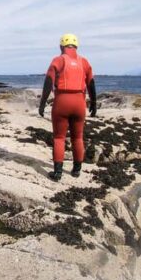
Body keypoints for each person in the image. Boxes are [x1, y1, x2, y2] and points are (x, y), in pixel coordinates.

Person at [38, 33, 97, 181]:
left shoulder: (58, 60)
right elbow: (91, 83)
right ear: (76, 46)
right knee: (78, 137)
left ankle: (58, 173)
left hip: (62, 101)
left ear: (61, 46)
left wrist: (43, 103)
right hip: (79, 102)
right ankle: (76, 170)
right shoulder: (84, 61)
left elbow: (48, 81)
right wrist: (94, 103)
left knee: (59, 137)